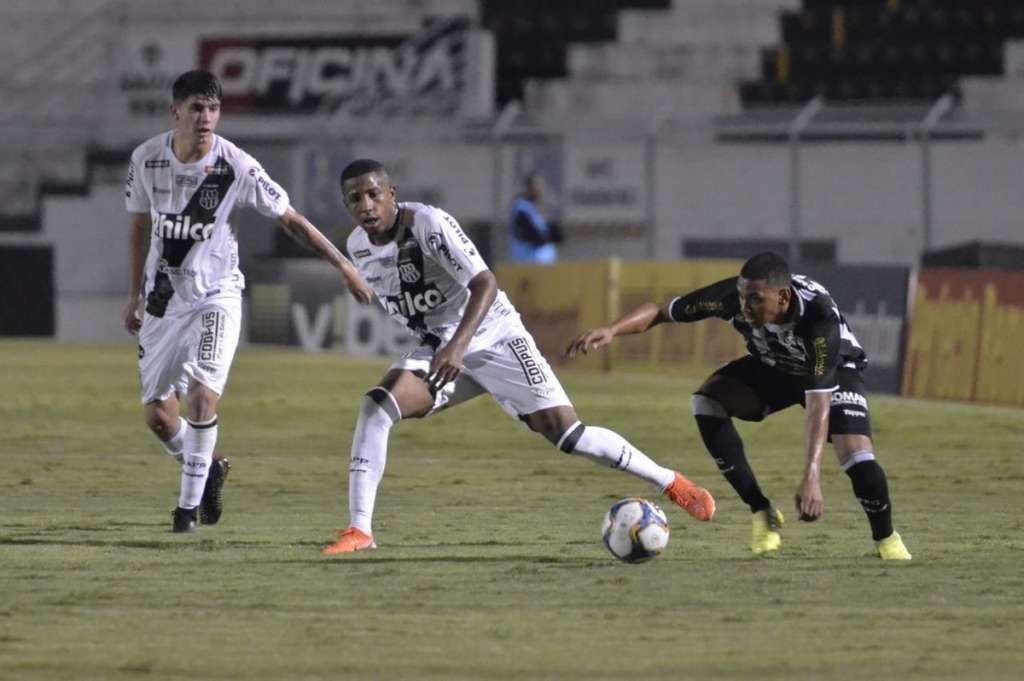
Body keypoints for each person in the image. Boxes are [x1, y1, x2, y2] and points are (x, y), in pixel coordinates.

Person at [320, 159, 714, 554]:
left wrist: (458, 347)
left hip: (496, 337)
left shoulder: (429, 224)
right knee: (377, 407)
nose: (366, 205)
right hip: (441, 348)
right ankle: (360, 530)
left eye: (374, 194)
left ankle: (671, 482)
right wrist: (443, 344)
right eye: (355, 199)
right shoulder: (357, 247)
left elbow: (485, 283)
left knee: (570, 436)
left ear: (391, 194)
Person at [123, 70, 372, 533]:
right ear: (175, 111)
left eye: (214, 109)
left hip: (216, 296)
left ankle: (185, 514)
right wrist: (133, 293)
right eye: (197, 108)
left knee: (202, 397)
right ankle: (209, 466)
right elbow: (140, 226)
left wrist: (344, 265)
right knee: (159, 416)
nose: (206, 118)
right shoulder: (146, 160)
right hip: (163, 299)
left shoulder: (235, 166)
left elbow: (291, 220)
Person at [565, 252, 912, 560]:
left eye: (755, 300)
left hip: (835, 372)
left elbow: (818, 399)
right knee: (706, 402)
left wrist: (811, 476)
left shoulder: (819, 319)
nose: (744, 307)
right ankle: (762, 511)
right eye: (743, 297)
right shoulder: (732, 297)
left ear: (783, 297)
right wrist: (612, 330)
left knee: (859, 460)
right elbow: (659, 311)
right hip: (774, 367)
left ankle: (886, 538)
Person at [507, 173, 562, 263]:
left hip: (544, 261)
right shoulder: (521, 207)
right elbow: (532, 235)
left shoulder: (542, 207)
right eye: (536, 185)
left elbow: (558, 236)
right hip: (526, 260)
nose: (540, 189)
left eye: (541, 185)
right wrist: (547, 236)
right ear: (528, 187)